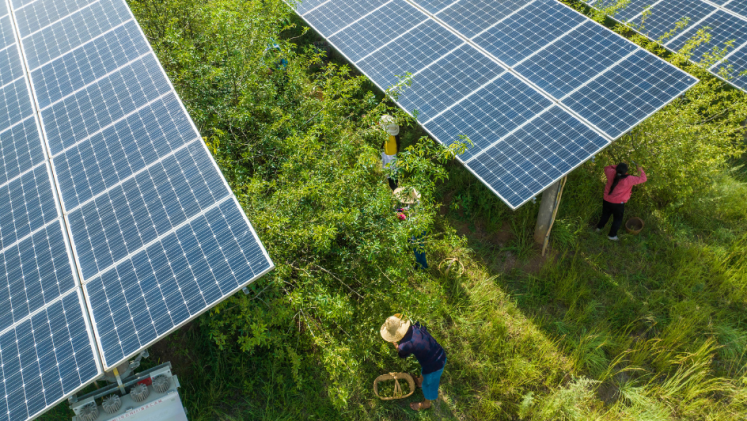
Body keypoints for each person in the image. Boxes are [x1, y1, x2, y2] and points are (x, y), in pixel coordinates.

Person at [380, 314, 446, 411]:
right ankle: (419, 382)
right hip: (438, 353)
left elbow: (402, 354)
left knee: (429, 384)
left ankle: (426, 403)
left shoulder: (404, 345)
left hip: (435, 365)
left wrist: (396, 346)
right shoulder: (416, 326)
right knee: (425, 371)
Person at [596, 162, 647, 241]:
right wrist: (639, 167)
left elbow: (607, 167)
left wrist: (619, 166)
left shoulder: (611, 173)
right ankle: (612, 235)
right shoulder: (629, 179)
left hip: (607, 199)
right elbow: (643, 178)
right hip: (618, 203)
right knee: (617, 219)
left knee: (605, 215)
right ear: (626, 170)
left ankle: (599, 228)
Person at [393, 187, 428, 269]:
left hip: (419, 227)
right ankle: (420, 264)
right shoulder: (414, 202)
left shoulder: (416, 204)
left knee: (418, 247)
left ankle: (422, 266)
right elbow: (409, 208)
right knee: (416, 245)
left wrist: (404, 217)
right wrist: (402, 209)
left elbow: (414, 219)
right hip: (418, 226)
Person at [380, 115, 401, 191]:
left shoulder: (388, 136)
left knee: (392, 183)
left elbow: (378, 128)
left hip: (390, 159)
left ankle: (398, 195)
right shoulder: (394, 136)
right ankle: (398, 193)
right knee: (394, 181)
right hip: (392, 158)